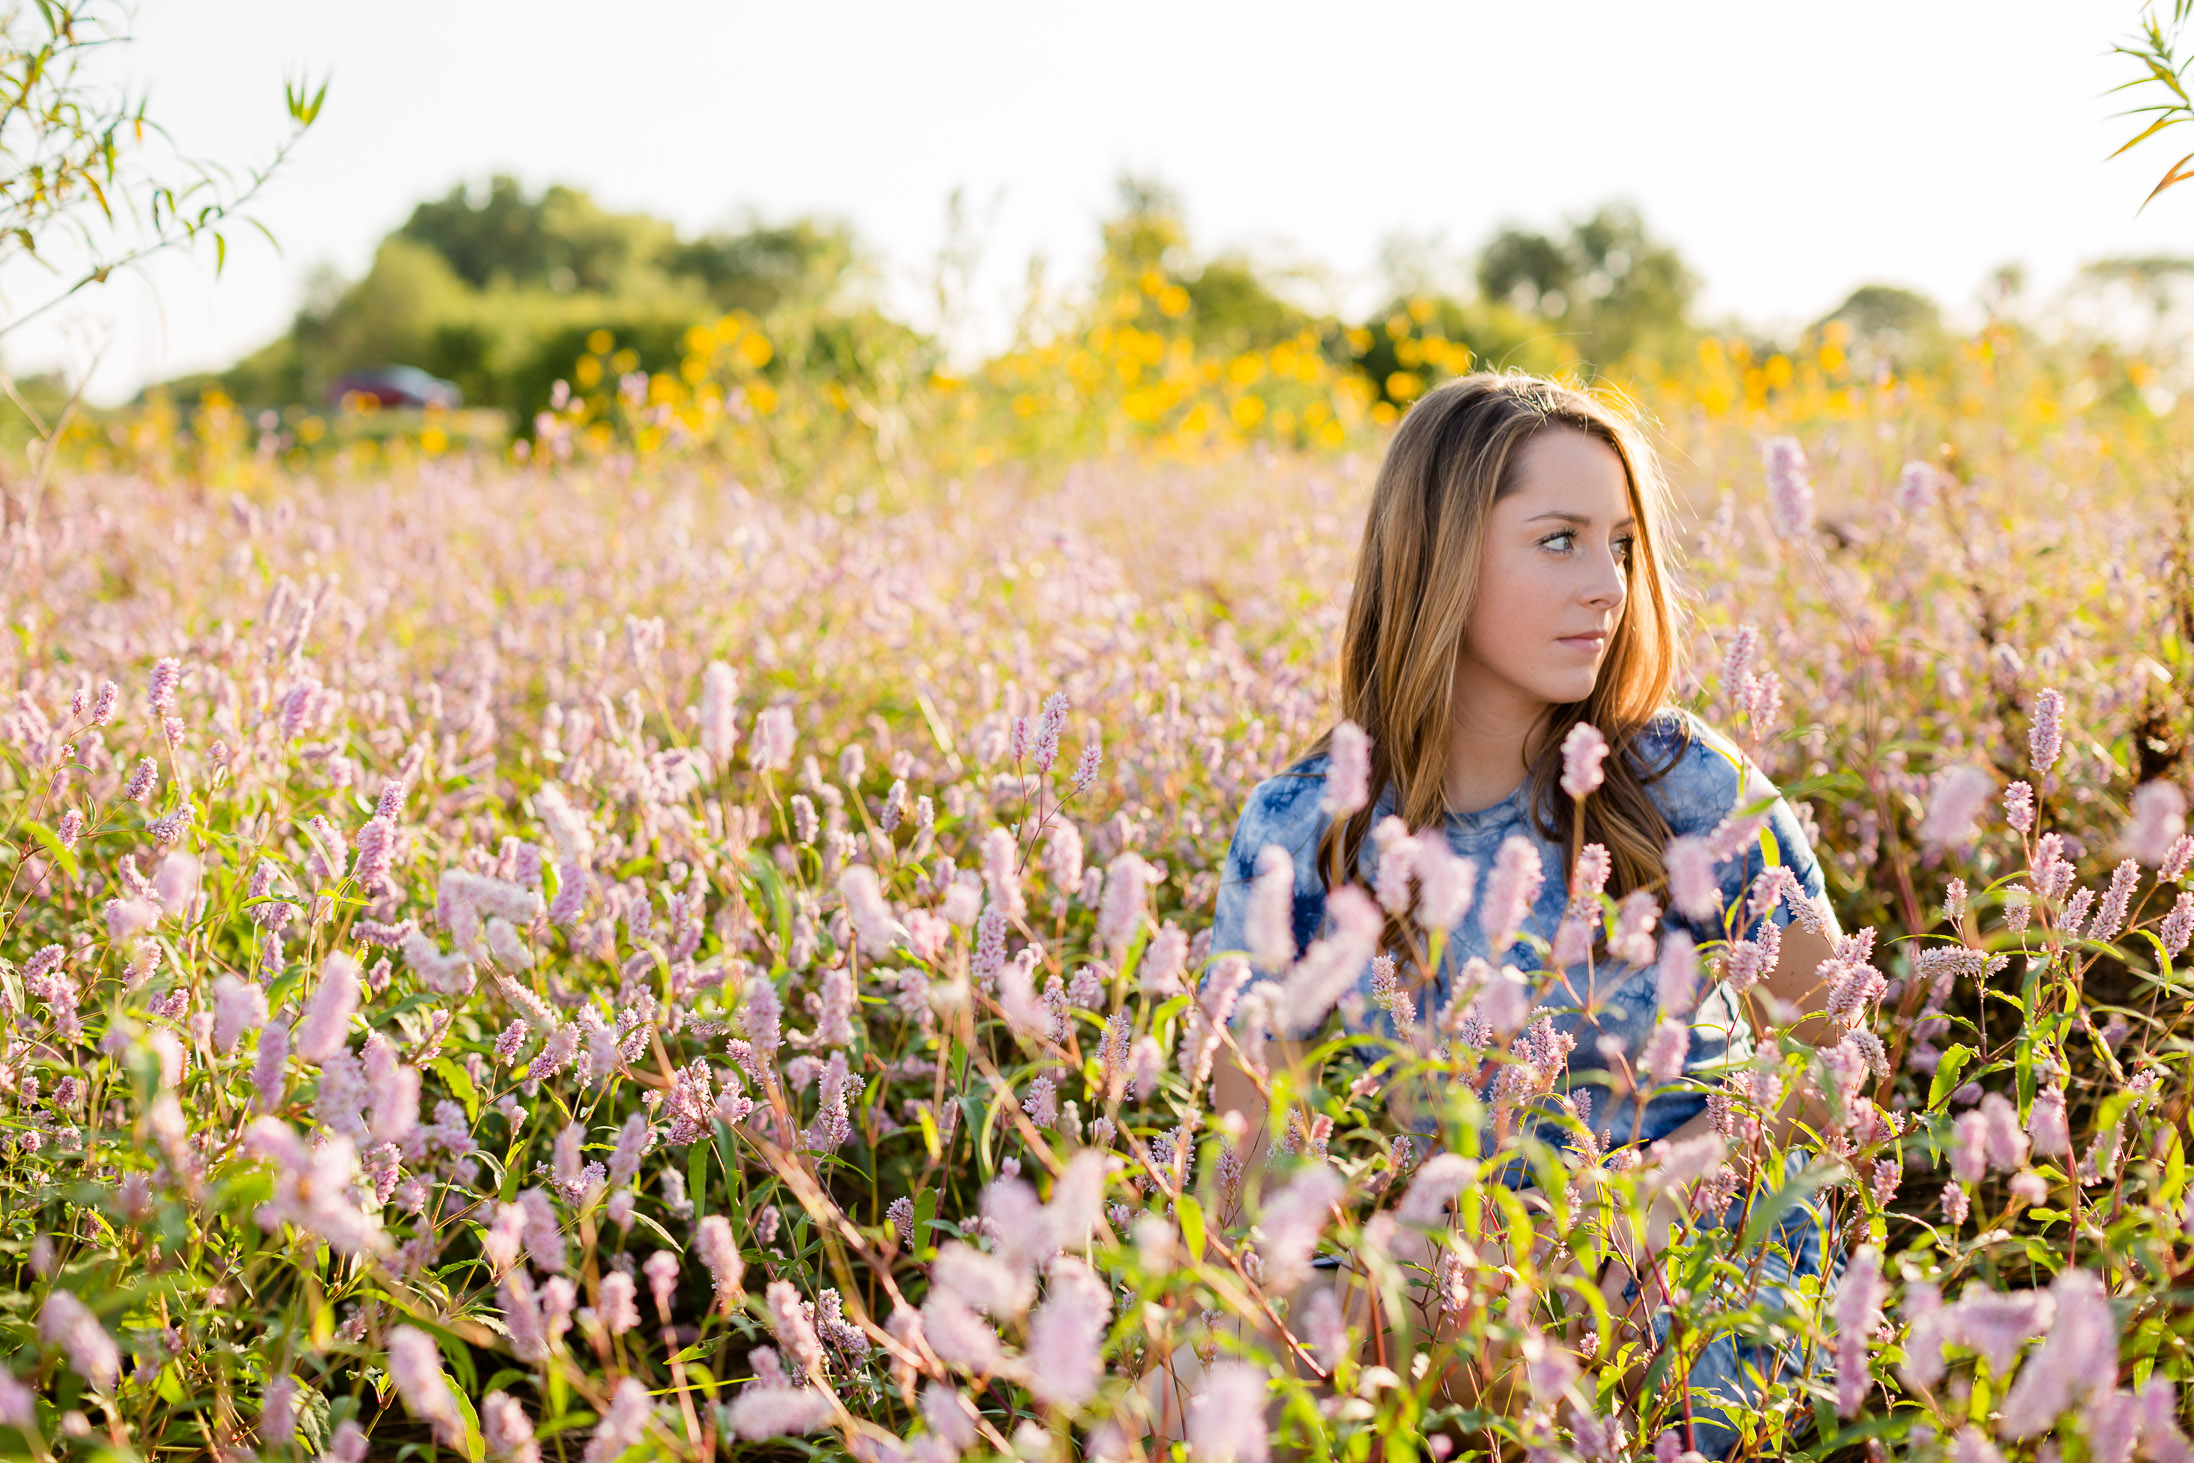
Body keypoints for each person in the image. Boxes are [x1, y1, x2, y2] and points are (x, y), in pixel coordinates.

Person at [1137, 372, 1847, 1460]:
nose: (1607, 585)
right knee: (1188, 1391)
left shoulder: (1682, 783)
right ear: (1439, 555)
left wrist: (1654, 1198)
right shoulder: (1300, 829)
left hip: (1684, 1266)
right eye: (1557, 539)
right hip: (1442, 1271)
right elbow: (1251, 1171)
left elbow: (1829, 1054)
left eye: (1619, 543)